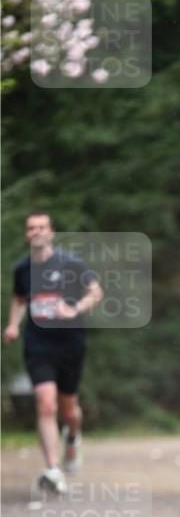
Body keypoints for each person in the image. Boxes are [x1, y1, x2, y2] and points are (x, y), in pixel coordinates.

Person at [3, 211, 103, 494]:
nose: (36, 232)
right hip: (37, 345)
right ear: (26, 235)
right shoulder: (22, 269)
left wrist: (75, 309)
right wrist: (13, 324)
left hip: (70, 344)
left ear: (51, 232)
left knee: (69, 409)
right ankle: (53, 469)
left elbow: (96, 292)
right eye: (31, 228)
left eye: (41, 227)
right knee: (45, 403)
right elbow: (19, 299)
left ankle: (72, 437)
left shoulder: (70, 264)